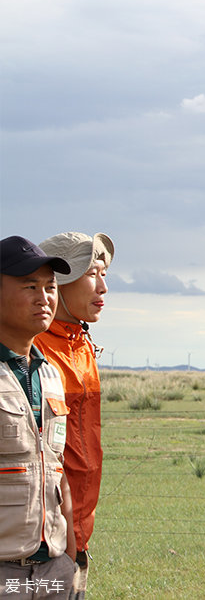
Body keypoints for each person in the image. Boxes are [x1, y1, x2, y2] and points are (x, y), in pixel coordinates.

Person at [33, 232, 114, 600]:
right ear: (58, 280)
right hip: (39, 539)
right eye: (92, 273)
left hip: (76, 533)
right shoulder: (30, 347)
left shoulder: (80, 343)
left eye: (104, 273)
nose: (103, 286)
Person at [0, 235, 77, 599]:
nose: (44, 297)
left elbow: (57, 467)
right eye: (29, 286)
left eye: (50, 287)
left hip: (52, 569)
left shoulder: (49, 375)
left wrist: (70, 556)